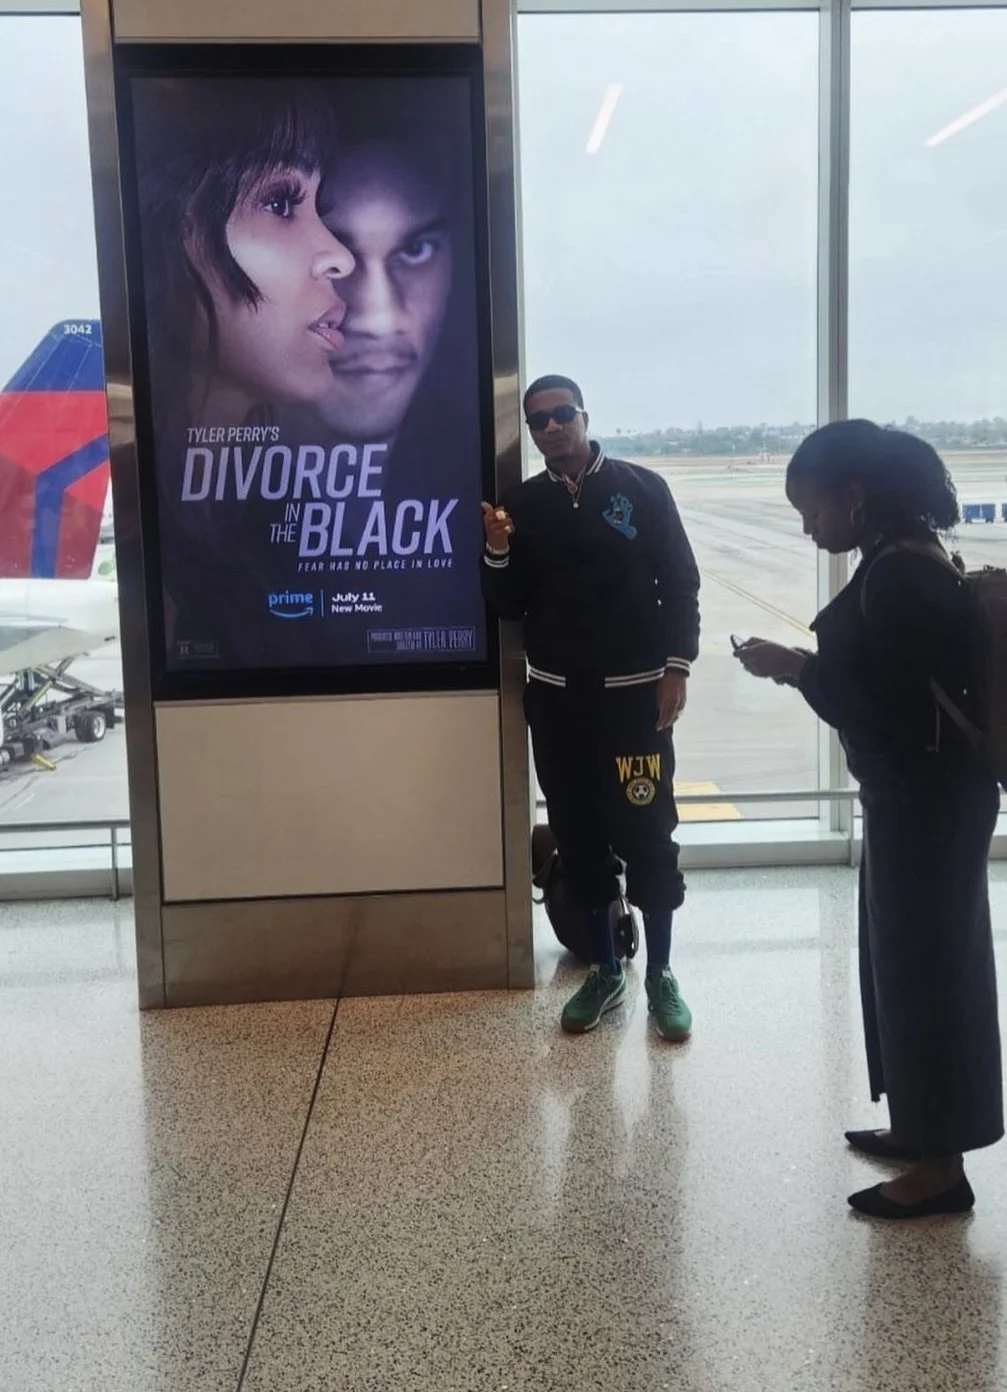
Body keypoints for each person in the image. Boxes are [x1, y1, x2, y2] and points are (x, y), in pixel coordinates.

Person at [736, 419, 1003, 1219]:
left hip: (927, 805)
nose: (807, 527)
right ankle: (919, 1130)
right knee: (903, 965)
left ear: (853, 497)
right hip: (921, 799)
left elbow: (888, 712)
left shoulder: (899, 576)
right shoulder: (902, 556)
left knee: (929, 976)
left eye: (811, 510)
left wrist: (797, 670)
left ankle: (940, 1167)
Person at [482, 375, 701, 1039]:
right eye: (538, 421)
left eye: (561, 414)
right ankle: (604, 970)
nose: (550, 427)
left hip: (636, 701)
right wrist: (497, 549)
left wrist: (677, 666)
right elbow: (507, 605)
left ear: (584, 416)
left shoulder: (641, 490)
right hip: (557, 703)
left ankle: (660, 973)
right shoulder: (523, 506)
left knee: (647, 831)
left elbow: (680, 583)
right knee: (578, 836)